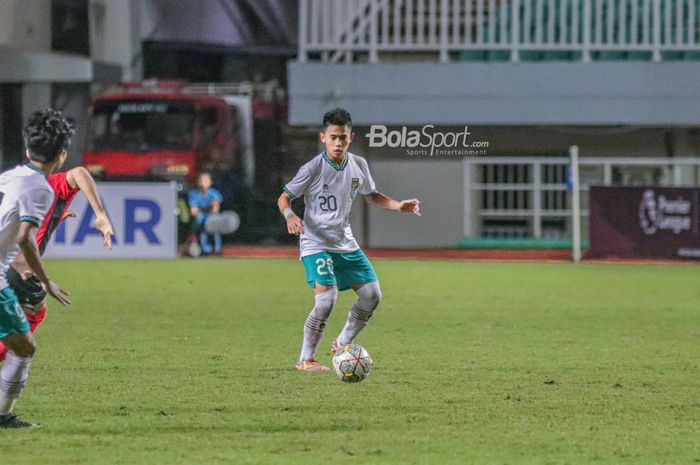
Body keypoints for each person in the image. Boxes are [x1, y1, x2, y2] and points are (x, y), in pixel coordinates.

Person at [277, 108, 421, 372]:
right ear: (323, 137)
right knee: (326, 300)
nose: (338, 143)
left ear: (350, 137)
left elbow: (372, 195)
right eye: (333, 137)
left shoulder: (359, 165)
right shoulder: (312, 168)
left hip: (345, 242)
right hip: (315, 243)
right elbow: (284, 197)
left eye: (343, 137)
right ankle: (305, 359)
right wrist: (289, 216)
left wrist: (399, 205)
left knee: (372, 295)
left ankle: (342, 343)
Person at [0, 109, 73, 428]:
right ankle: (2, 416)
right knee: (24, 346)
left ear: (28, 149)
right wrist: (47, 281)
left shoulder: (10, 176)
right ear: (62, 155)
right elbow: (26, 237)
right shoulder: (41, 188)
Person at [0, 165, 114, 362]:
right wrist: (100, 214)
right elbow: (79, 173)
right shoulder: (52, 185)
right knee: (35, 311)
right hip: (17, 266)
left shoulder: (13, 182)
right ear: (60, 155)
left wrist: (57, 216)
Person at [188, 172, 224, 256]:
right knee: (202, 229)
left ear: (210, 182)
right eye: (201, 180)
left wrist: (210, 213)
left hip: (212, 218)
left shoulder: (214, 193)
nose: (203, 183)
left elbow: (215, 208)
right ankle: (204, 249)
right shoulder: (194, 194)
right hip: (201, 219)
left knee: (215, 229)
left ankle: (217, 249)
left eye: (205, 180)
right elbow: (194, 211)